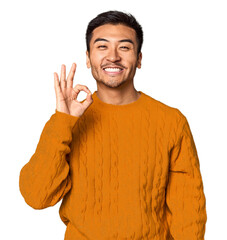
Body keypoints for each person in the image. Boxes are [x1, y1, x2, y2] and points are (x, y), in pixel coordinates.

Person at [19, 10, 207, 240]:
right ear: (88, 58)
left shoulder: (171, 121)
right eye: (102, 47)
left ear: (138, 59)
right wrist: (62, 121)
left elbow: (188, 212)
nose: (113, 56)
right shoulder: (68, 122)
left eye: (125, 47)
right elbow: (36, 197)